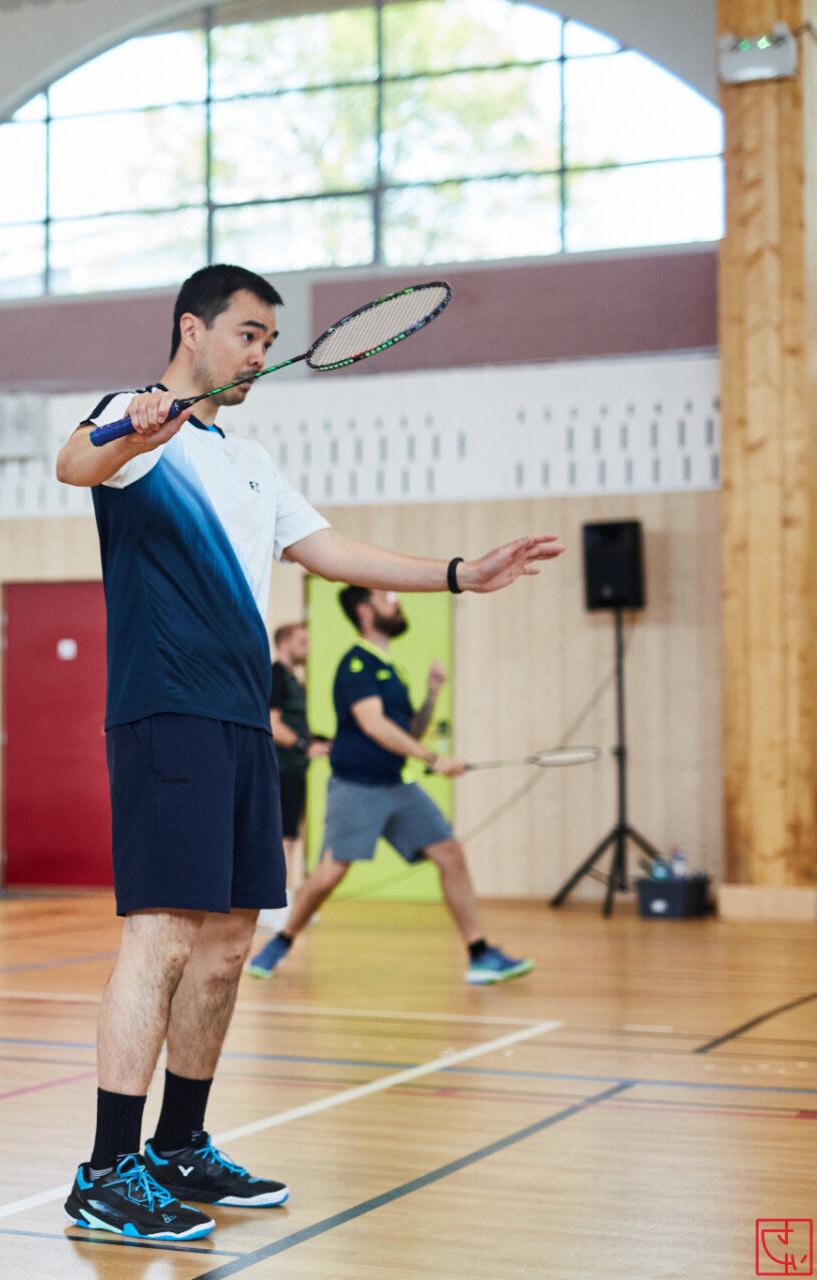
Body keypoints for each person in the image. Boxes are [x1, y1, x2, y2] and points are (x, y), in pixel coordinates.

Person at [52, 263, 561, 1241]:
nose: (259, 354)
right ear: (192, 329)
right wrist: (131, 428)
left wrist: (462, 573)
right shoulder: (137, 422)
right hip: (168, 711)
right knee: (161, 937)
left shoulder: (248, 460)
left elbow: (331, 552)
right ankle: (106, 1171)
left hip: (243, 720)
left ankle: (180, 1145)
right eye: (248, 334)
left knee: (228, 943)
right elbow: (74, 463)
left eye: (269, 342)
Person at [247, 587, 535, 986]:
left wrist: (431, 696)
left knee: (450, 853)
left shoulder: (391, 669)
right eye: (387, 598)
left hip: (397, 784)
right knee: (330, 874)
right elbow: (373, 724)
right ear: (365, 611)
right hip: (357, 785)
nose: (397, 603)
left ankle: (480, 953)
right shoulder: (356, 664)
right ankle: (281, 941)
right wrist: (433, 759)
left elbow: (408, 730)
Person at [267, 622, 327, 905]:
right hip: (280, 768)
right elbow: (272, 724)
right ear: (283, 644)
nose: (308, 649)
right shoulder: (275, 676)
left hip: (296, 769)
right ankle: (276, 902)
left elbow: (295, 725)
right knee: (281, 836)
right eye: (302, 642)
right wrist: (304, 746)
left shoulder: (295, 680)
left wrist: (321, 741)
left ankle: (285, 897)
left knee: (291, 835)